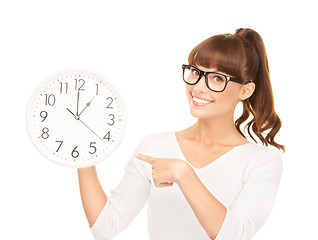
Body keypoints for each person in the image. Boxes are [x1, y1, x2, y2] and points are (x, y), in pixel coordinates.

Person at [77, 28, 284, 240]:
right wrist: (82, 154)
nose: (199, 87)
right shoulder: (154, 147)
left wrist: (184, 174)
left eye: (217, 78)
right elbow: (106, 228)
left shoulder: (261, 161)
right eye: (196, 72)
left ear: (245, 90)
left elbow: (235, 234)